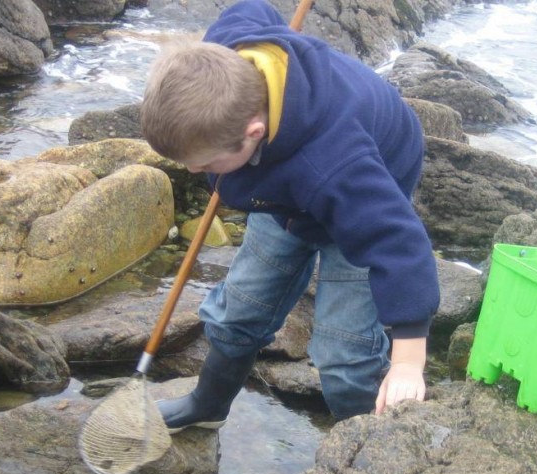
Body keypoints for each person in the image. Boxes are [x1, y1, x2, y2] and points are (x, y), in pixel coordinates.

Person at [140, 0, 439, 432]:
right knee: (238, 309)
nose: (193, 173)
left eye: (204, 165)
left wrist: (409, 362)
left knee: (344, 354)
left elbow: (399, 245)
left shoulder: (337, 165)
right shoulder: (229, 51)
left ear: (252, 134)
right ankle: (209, 403)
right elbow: (253, 8)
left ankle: (360, 443)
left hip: (369, 182)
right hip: (285, 192)